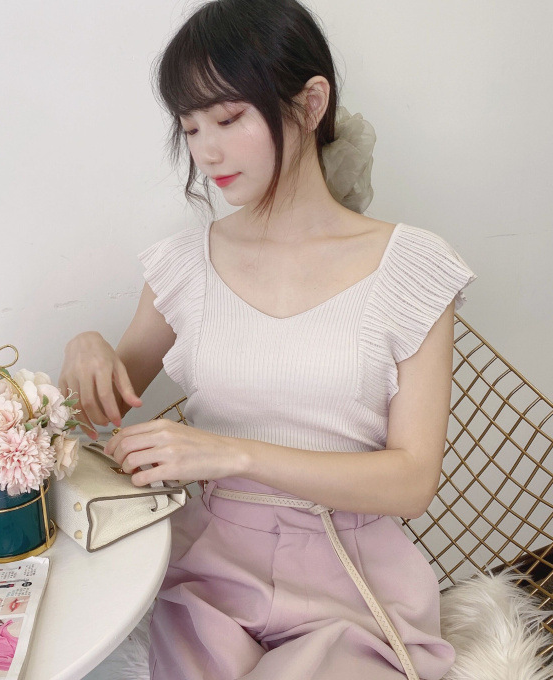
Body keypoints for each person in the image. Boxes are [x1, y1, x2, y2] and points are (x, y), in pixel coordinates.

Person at [59, 0, 476, 677]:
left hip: (353, 582)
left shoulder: (412, 267)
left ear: (310, 104)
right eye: (190, 127)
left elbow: (411, 481)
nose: (206, 151)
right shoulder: (183, 266)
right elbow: (93, 411)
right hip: (209, 574)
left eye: (228, 118)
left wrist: (232, 454)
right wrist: (85, 347)